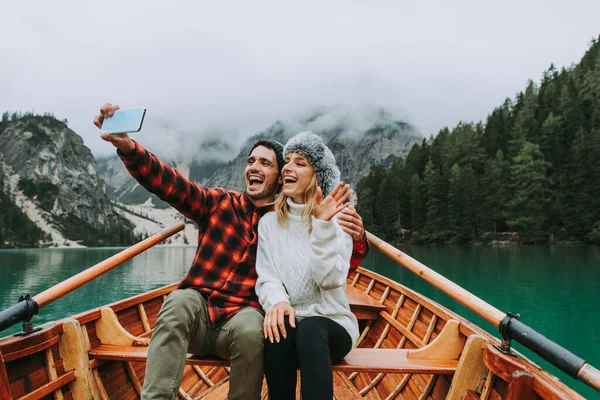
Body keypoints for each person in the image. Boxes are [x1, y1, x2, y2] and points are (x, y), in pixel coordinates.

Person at [93, 104, 368, 400]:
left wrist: (358, 237)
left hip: (243, 317)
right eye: (251, 161)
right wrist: (129, 148)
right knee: (178, 300)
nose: (254, 167)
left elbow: (339, 270)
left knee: (257, 330)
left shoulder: (300, 219)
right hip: (200, 312)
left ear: (279, 180)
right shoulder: (222, 204)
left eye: (265, 163)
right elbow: (169, 184)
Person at [255, 131, 359, 399]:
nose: (288, 167)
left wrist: (323, 226)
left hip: (333, 324)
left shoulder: (338, 219)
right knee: (277, 333)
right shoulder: (268, 223)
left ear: (317, 176)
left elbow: (330, 279)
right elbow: (267, 278)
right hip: (292, 320)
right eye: (287, 161)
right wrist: (277, 302)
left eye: (300, 163)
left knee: (311, 329)